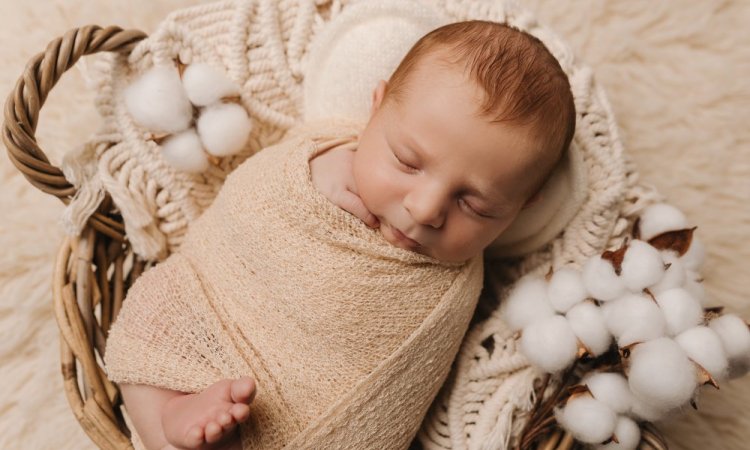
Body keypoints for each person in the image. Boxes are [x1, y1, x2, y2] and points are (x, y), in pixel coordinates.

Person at [105, 20, 575, 450]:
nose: (425, 209)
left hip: (312, 411)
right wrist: (313, 183)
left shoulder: (460, 285)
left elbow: (404, 377)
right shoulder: (324, 149)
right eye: (408, 162)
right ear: (376, 110)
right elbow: (252, 199)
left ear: (518, 210)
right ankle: (170, 415)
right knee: (152, 313)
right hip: (207, 308)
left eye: (475, 205)